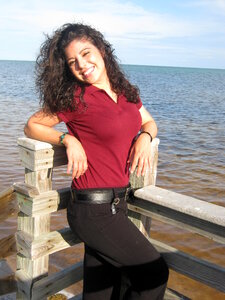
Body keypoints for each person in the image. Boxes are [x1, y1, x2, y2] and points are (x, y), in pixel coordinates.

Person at [24, 22, 169, 300]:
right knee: (154, 274)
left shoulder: (126, 92)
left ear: (102, 50)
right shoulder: (75, 98)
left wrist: (145, 137)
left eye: (86, 53)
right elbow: (32, 125)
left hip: (118, 204)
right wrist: (68, 140)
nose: (81, 64)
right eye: (72, 61)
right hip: (92, 212)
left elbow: (149, 121)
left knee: (102, 292)